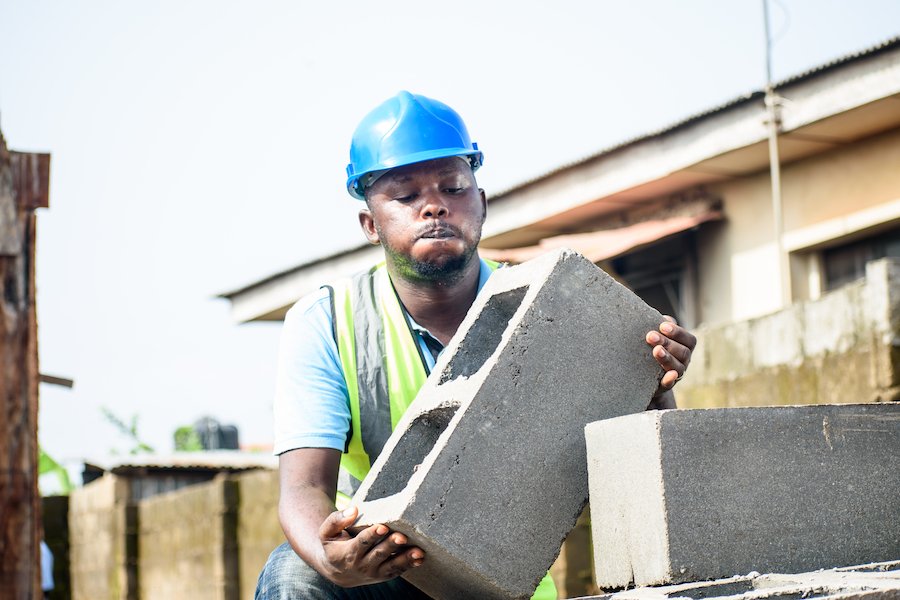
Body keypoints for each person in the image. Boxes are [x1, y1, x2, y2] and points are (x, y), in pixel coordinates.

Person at [255, 91, 696, 600]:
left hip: (499, 581)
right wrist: (334, 562)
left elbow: (636, 483)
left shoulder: (552, 307)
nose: (435, 205)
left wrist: (652, 384)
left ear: (481, 203)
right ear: (370, 225)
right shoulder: (329, 323)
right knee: (294, 575)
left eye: (454, 187)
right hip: (383, 566)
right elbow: (304, 488)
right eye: (404, 195)